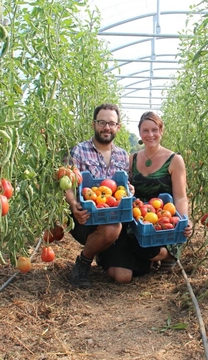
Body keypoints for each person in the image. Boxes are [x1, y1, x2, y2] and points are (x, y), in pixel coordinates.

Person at [97, 111, 193, 283]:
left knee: (149, 249)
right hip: (136, 222)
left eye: (154, 130)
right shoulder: (132, 159)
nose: (150, 135)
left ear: (161, 131)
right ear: (140, 133)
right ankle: (144, 263)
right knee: (119, 274)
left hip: (162, 224)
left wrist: (184, 220)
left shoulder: (174, 160)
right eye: (145, 130)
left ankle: (166, 255)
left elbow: (180, 197)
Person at [64, 103, 131, 288]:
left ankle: (101, 251)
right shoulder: (78, 151)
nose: (106, 127)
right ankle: (83, 264)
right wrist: (72, 204)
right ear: (94, 124)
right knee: (112, 228)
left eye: (111, 123)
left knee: (114, 228)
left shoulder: (123, 156)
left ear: (118, 127)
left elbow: (124, 187)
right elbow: (66, 183)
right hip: (84, 217)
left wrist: (129, 190)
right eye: (102, 122)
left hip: (111, 214)